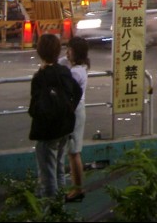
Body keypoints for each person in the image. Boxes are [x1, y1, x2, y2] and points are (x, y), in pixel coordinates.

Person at [28, 34, 80, 199]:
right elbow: (77, 91)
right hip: (65, 127)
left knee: (47, 173)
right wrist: (69, 108)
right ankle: (60, 206)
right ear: (58, 51)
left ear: (40, 52)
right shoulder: (64, 71)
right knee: (58, 167)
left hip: (47, 130)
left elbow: (36, 105)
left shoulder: (40, 77)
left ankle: (51, 209)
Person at [59, 36, 90, 202]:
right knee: (72, 151)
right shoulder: (78, 67)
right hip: (76, 110)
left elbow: (64, 83)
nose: (66, 53)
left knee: (74, 152)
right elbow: (60, 62)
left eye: (69, 50)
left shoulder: (77, 72)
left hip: (75, 112)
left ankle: (78, 189)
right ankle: (77, 187)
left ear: (75, 52)